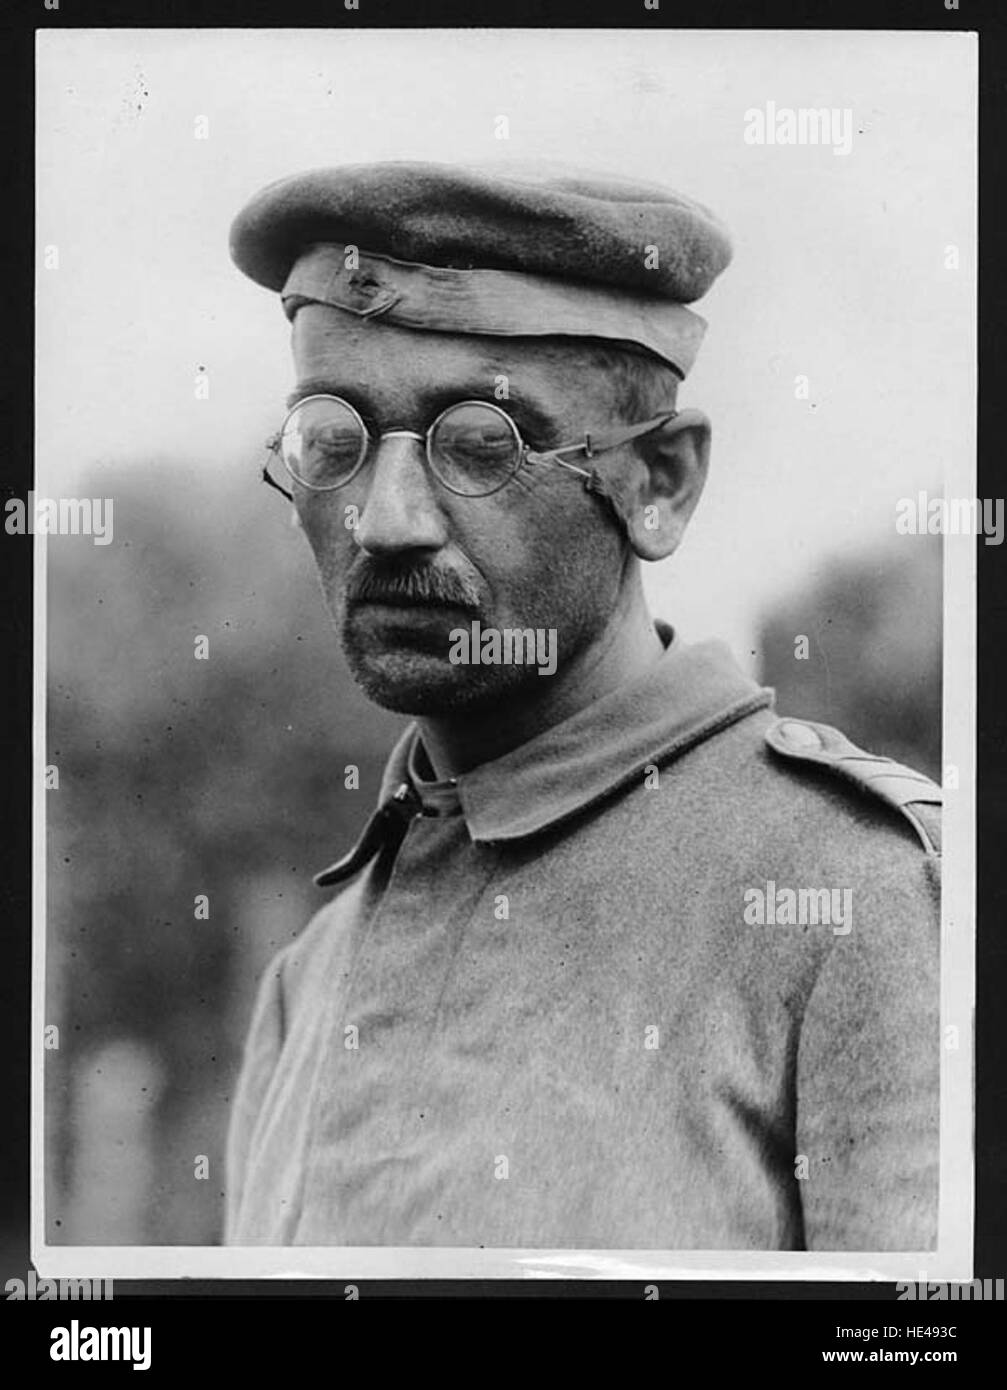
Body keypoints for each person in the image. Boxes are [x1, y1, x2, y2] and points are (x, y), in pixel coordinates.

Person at [223, 161, 941, 1250]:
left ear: (658, 482)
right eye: (334, 441)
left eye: (478, 444)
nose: (386, 521)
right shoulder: (303, 983)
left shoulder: (863, 897)